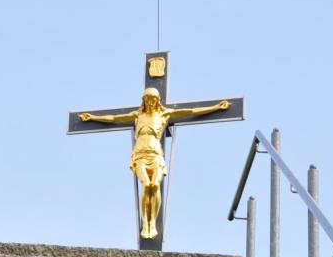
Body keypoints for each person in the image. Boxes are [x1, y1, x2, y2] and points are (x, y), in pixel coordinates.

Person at [80, 87, 230, 238]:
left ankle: (153, 222)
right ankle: (145, 222)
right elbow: (113, 118)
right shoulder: (137, 114)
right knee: (147, 185)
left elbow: (191, 111)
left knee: (155, 185)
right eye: (147, 99)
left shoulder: (164, 114)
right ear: (143, 100)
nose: (150, 102)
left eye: (153, 99)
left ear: (157, 100)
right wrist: (92, 117)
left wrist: (216, 107)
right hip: (140, 155)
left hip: (156, 154)